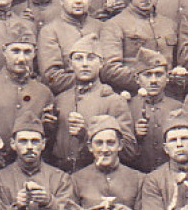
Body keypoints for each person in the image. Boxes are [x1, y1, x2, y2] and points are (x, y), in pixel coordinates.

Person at [0, 20, 51, 164]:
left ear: (35, 54)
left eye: (27, 52)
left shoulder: (44, 93)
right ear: (4, 51)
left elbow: (47, 137)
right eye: (15, 51)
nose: (21, 58)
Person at [50, 33, 134, 170]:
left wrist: (86, 135)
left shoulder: (113, 101)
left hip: (96, 173)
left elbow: (129, 151)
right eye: (78, 58)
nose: (84, 64)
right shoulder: (61, 99)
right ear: (70, 64)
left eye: (90, 58)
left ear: (101, 63)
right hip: (62, 174)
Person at [99, 0, 182, 94]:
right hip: (133, 97)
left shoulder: (169, 24)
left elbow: (178, 62)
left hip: (168, 98)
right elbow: (109, 70)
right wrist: (147, 81)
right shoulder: (115, 25)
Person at [69, 116, 145, 210]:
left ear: (120, 145)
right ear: (90, 147)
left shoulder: (139, 179)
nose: (105, 149)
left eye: (110, 143)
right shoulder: (76, 179)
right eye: (99, 143)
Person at [36, 0, 104, 94]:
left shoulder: (101, 27)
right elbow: (51, 78)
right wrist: (89, 81)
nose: (78, 1)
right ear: (61, 0)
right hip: (66, 97)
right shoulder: (50, 31)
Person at [122, 48, 181, 174]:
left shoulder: (177, 107)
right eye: (147, 75)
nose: (153, 80)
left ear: (167, 78)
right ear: (137, 79)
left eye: (159, 74)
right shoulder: (127, 107)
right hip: (137, 175)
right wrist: (136, 136)